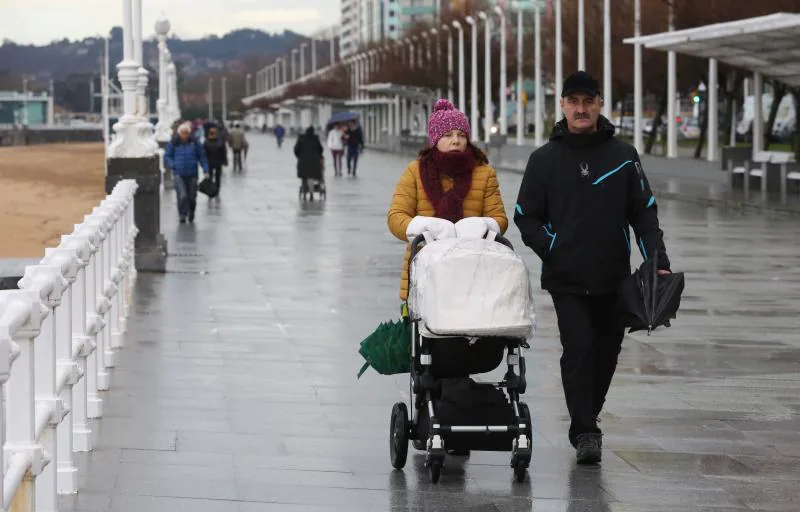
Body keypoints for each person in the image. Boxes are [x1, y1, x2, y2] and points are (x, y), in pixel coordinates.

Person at [513, 71, 672, 464]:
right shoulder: (543, 159)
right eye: (574, 102)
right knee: (579, 348)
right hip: (567, 278)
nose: (581, 109)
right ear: (563, 106)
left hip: (613, 276)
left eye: (588, 101)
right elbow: (525, 216)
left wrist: (658, 262)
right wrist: (554, 247)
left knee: (607, 352)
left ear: (600, 104)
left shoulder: (623, 156)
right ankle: (586, 430)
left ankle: (588, 414)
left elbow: (644, 214)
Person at [387, 98, 509, 378]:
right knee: (435, 344)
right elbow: (396, 217)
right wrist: (422, 225)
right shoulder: (414, 173)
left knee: (465, 344)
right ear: (434, 139)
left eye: (461, 135)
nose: (455, 141)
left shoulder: (484, 173)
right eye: (447, 135)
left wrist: (483, 224)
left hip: (474, 272)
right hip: (425, 275)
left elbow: (499, 218)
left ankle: (459, 396)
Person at [164, 122, 210, 223]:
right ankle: (182, 214)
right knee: (182, 195)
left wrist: (206, 170)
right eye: (182, 133)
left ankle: (191, 211)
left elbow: (202, 157)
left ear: (189, 133)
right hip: (178, 173)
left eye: (186, 133)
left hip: (192, 173)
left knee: (192, 196)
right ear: (179, 133)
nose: (184, 135)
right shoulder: (174, 143)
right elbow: (167, 156)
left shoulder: (195, 142)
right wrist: (173, 165)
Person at [294, 126, 324, 201]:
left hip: (303, 161)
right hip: (314, 162)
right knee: (312, 176)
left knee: (304, 177)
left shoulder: (301, 138)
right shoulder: (316, 138)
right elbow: (321, 149)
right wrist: (319, 156)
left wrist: (299, 156)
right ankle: (311, 193)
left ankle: (304, 192)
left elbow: (296, 149)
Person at [203, 126, 228, 192]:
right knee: (217, 177)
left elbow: (204, 154)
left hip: (209, 162)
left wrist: (204, 163)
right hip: (218, 162)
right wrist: (225, 161)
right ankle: (217, 188)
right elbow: (224, 152)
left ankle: (212, 189)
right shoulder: (220, 142)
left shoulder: (206, 142)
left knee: (210, 176)